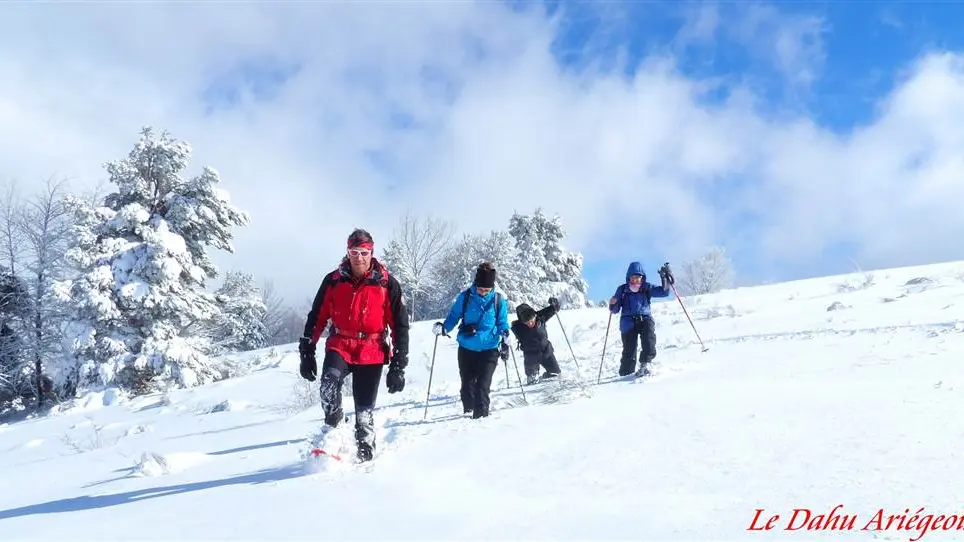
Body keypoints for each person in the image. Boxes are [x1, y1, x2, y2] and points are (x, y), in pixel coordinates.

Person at [298, 228, 409, 462]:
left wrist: (398, 365)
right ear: (347, 252)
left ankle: (365, 458)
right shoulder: (333, 281)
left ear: (371, 252)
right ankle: (335, 429)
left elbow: (399, 325)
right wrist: (307, 350)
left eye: (363, 252)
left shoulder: (387, 284)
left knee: (364, 413)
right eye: (353, 251)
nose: (358, 257)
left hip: (372, 350)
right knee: (328, 384)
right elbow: (317, 316)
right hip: (340, 344)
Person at [432, 262, 510, 419]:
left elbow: (502, 322)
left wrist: (505, 333)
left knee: (482, 385)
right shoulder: (466, 297)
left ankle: (480, 419)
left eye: (486, 290)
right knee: (467, 385)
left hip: (489, 348)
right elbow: (454, 316)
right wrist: (444, 328)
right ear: (476, 284)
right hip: (467, 348)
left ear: (492, 288)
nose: (482, 292)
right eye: (480, 289)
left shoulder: (498, 300)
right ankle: (467, 415)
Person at [609, 261, 674, 377]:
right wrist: (613, 304)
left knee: (649, 337)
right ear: (629, 278)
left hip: (645, 318)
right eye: (633, 278)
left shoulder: (647, 288)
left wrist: (665, 278)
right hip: (628, 321)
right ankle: (626, 374)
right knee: (629, 349)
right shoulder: (622, 290)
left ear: (642, 277)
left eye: (638, 277)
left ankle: (646, 363)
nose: (636, 280)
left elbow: (664, 292)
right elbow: (615, 310)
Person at [510, 297, 563, 385]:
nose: (530, 324)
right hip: (531, 356)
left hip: (546, 351)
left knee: (556, 374)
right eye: (527, 323)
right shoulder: (517, 327)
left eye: (531, 321)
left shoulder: (540, 317)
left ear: (535, 316)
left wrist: (554, 304)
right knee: (532, 382)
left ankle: (544, 380)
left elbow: (555, 308)